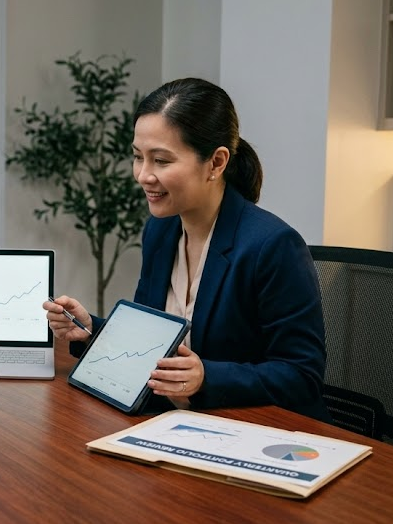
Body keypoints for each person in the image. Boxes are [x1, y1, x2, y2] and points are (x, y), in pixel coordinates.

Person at [44, 78, 330, 421]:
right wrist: (92, 329)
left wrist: (206, 377)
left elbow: (302, 376)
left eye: (161, 161)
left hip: (250, 429)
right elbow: (151, 340)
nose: (143, 175)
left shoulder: (272, 245)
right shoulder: (161, 230)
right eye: (138, 157)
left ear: (216, 163)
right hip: (174, 422)